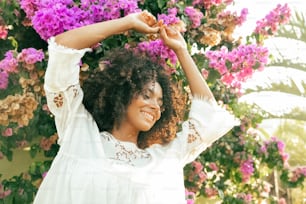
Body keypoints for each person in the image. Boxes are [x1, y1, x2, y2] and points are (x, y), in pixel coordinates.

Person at [34, 11, 239, 204]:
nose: (155, 107)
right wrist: (128, 23)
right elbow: (63, 48)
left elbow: (210, 116)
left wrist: (181, 50)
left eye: (160, 103)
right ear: (123, 94)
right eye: (147, 95)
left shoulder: (164, 157)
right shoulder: (80, 132)